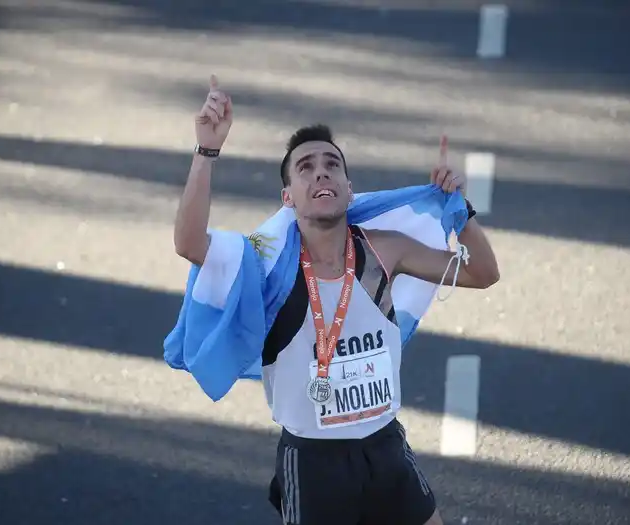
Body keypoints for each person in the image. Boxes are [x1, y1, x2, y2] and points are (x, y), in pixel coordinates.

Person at [174, 75, 500, 525]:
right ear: (288, 197)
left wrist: (459, 210)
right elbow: (190, 244)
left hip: (385, 448)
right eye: (305, 167)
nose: (321, 172)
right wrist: (206, 150)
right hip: (313, 463)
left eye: (332, 165)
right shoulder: (265, 264)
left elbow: (483, 273)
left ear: (348, 188)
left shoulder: (384, 250)